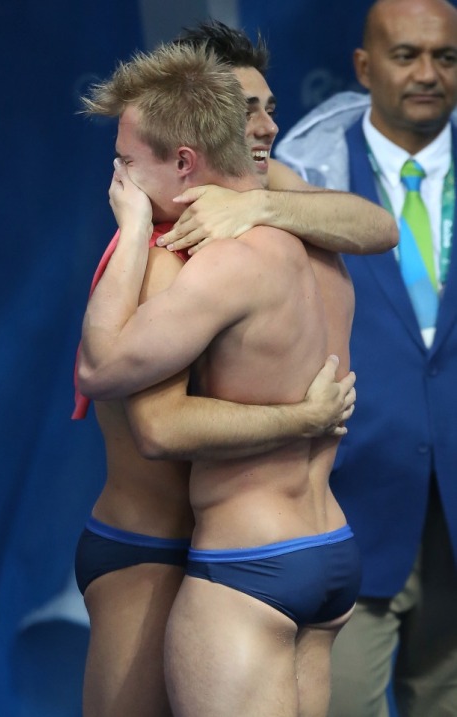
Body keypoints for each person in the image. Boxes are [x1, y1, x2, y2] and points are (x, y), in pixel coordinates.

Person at [77, 42, 361, 717]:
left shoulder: (180, 255)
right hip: (324, 548)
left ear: (182, 157)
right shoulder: (318, 242)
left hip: (237, 561)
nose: (116, 177)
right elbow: (372, 227)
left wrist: (139, 218)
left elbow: (140, 408)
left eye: (124, 161)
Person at [273, 1, 457, 716]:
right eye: (406, 54)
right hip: (348, 502)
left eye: (445, 57)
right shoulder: (305, 178)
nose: (427, 74)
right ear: (363, 66)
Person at [154, 20, 398, 256]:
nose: (270, 128)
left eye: (269, 112)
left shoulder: (266, 176)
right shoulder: (148, 193)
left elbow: (382, 228)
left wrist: (256, 206)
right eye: (245, 113)